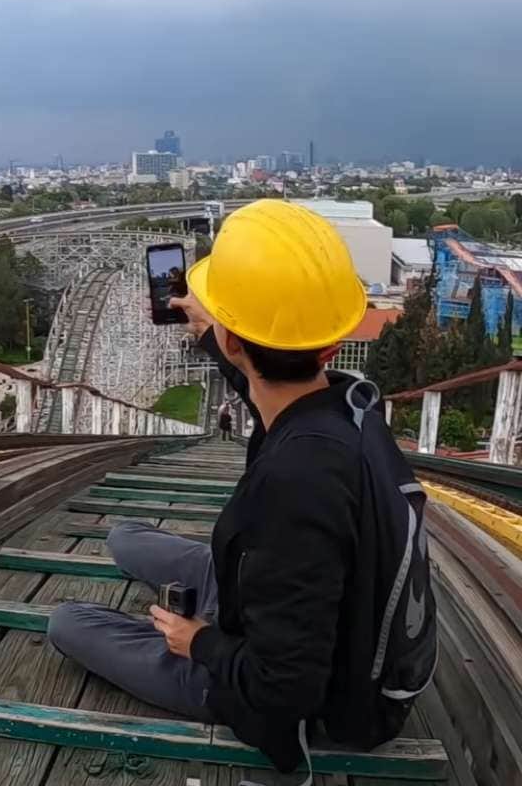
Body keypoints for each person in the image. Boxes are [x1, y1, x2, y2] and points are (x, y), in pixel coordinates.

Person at [48, 200, 435, 775]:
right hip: (291, 604)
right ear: (330, 346)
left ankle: (194, 633)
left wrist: (198, 642)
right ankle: (208, 615)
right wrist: (213, 330)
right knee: (124, 537)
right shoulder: (349, 406)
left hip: (308, 697)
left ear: (237, 344)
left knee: (66, 623)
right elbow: (263, 379)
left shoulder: (297, 484)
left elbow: (284, 689)